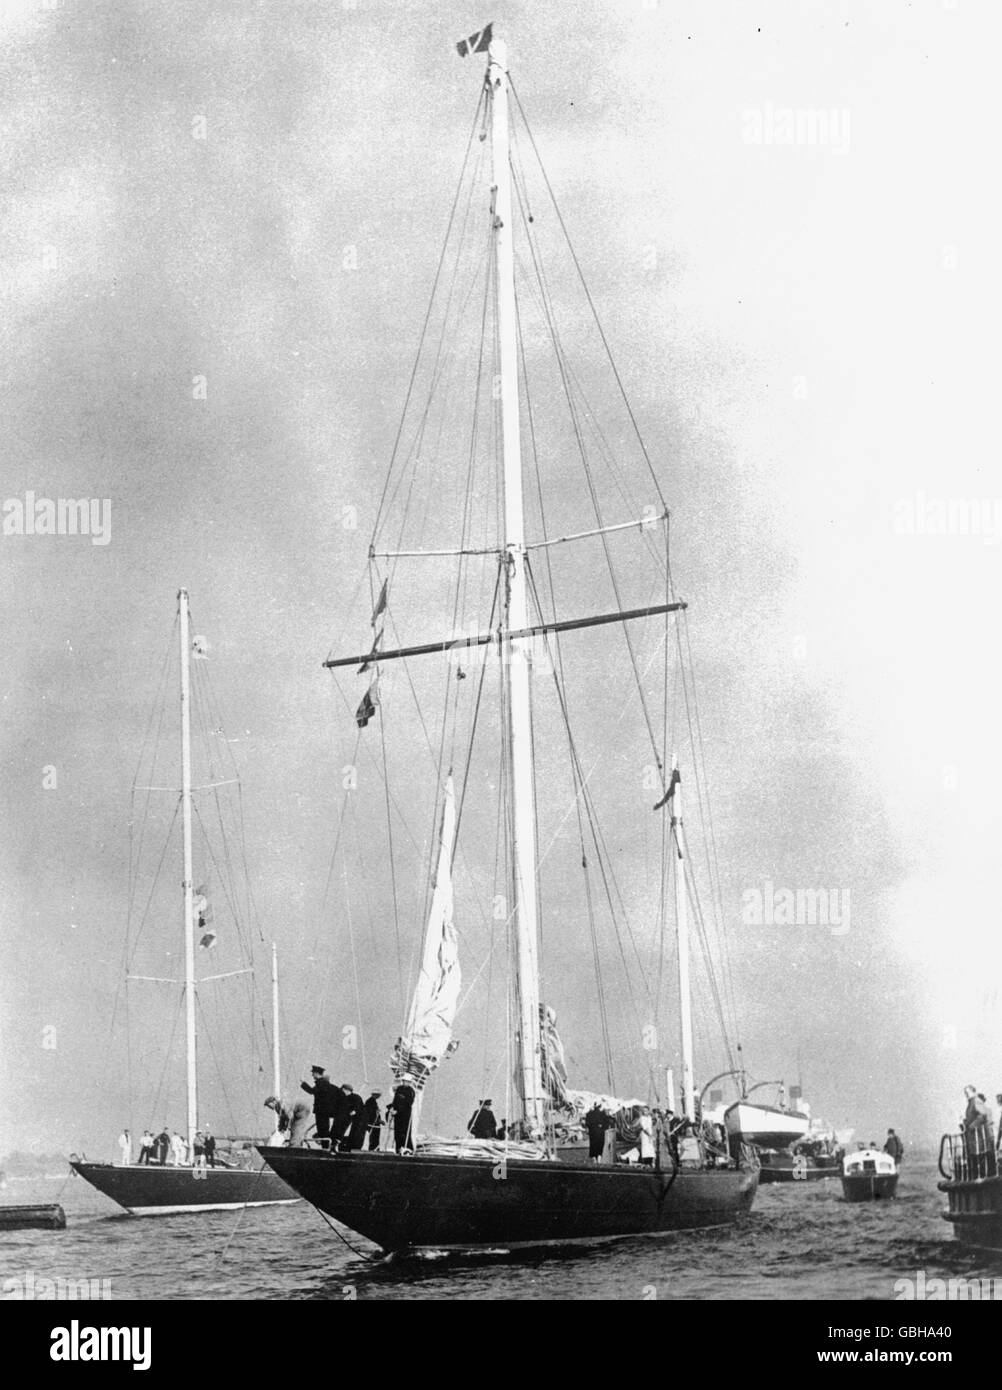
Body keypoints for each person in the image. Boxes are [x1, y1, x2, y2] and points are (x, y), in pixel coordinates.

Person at [301, 1065, 337, 1141]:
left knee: (322, 1130)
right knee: (323, 1130)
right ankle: (325, 1147)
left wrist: (303, 1083)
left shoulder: (322, 1083)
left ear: (317, 1073)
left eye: (313, 1073)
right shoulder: (322, 1083)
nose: (312, 1075)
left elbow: (312, 1091)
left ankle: (325, 1148)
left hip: (322, 1111)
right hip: (323, 1110)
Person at [387, 1083, 416, 1153]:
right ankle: (399, 1148)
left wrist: (398, 1111)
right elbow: (395, 1101)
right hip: (397, 1115)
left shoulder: (410, 1091)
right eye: (404, 1081)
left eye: (407, 1081)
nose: (405, 1082)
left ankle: (407, 1148)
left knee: (405, 1132)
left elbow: (408, 1104)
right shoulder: (399, 1089)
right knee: (397, 1132)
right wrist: (391, 1108)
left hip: (405, 1115)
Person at [344, 1085, 367, 1151]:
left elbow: (357, 1107)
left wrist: (353, 1111)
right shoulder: (353, 1097)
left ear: (346, 1090)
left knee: (357, 1133)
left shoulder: (354, 1097)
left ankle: (354, 1147)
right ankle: (353, 1147)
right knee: (355, 1132)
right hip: (358, 1119)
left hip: (360, 1119)